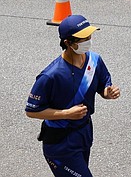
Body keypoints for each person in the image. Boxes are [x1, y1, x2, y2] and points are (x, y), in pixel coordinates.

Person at [25, 14, 121, 177]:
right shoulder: (51, 75)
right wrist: (67, 114)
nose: (88, 41)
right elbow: (31, 111)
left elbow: (103, 86)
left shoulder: (94, 60)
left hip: (83, 134)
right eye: (83, 39)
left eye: (89, 36)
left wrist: (108, 93)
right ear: (68, 43)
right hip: (60, 143)